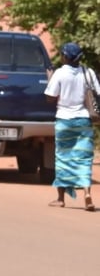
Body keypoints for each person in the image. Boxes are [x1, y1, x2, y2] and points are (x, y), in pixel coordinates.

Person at [44, 42, 97, 211]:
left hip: (64, 121)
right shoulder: (88, 72)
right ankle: (87, 194)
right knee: (83, 157)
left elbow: (50, 98)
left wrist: (50, 78)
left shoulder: (59, 73)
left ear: (66, 57)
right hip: (83, 120)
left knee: (63, 158)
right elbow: (98, 93)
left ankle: (60, 198)